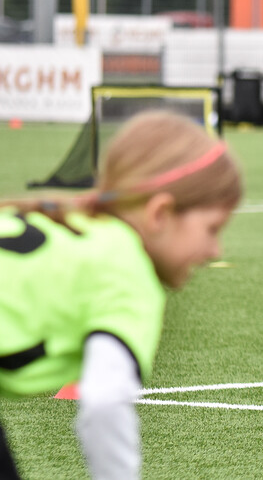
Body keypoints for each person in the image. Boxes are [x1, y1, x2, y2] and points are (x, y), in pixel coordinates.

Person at [0, 111, 242, 480]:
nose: (215, 250)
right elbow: (103, 403)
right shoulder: (127, 270)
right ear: (160, 213)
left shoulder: (72, 224)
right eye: (212, 229)